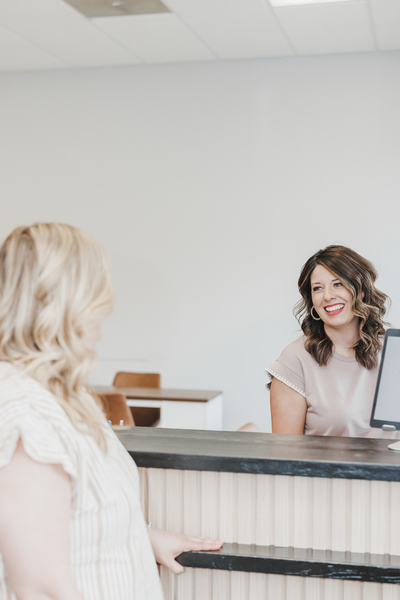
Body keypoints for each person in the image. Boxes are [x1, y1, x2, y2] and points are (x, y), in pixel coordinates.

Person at [0, 223, 222, 600]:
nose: (101, 327)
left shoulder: (68, 393)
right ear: (65, 303)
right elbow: (39, 587)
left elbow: (77, 511)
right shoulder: (24, 409)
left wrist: (142, 536)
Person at [267, 244, 399, 438]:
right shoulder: (295, 360)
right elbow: (286, 452)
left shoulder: (393, 350)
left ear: (361, 290)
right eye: (318, 288)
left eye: (338, 284)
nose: (327, 296)